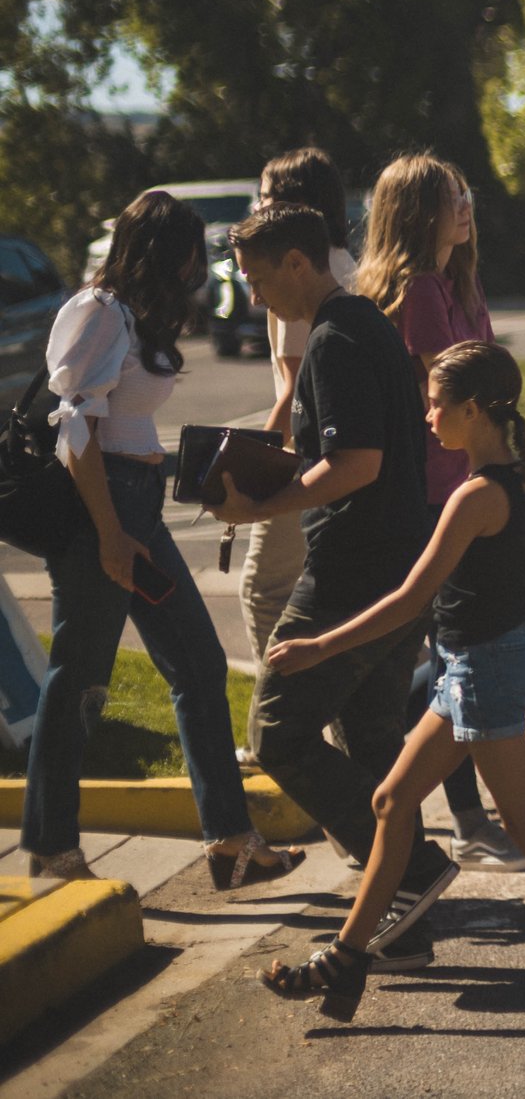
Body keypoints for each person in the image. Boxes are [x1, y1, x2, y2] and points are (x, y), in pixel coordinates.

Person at [259, 342, 525, 1031]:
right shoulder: (513, 480)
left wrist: (320, 645)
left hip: (481, 670)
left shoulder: (476, 495)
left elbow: (410, 599)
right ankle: (347, 959)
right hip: (480, 665)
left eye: (436, 403)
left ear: (474, 408)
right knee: (392, 801)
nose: (427, 415)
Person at [20, 192, 303, 890]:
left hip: (136, 506)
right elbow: (75, 429)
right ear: (165, 253)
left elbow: (124, 425)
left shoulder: (130, 318)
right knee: (82, 678)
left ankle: (230, 840)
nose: (194, 271)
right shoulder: (96, 311)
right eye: (188, 256)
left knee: (199, 667)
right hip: (103, 514)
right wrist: (111, 534)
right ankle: (53, 845)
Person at [216, 203, 457, 966]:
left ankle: (413, 871)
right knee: (370, 733)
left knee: (277, 733)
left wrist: (262, 503)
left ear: (297, 261)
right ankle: (408, 918)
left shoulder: (334, 338)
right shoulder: (361, 324)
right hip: (395, 563)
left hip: (353, 570)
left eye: (257, 278)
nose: (255, 297)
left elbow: (357, 462)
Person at [358, 154, 525, 872]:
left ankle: (457, 811)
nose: (466, 206)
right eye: (452, 197)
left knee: (447, 653)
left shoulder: (456, 280)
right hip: (436, 492)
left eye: (466, 194)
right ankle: (462, 815)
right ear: (419, 212)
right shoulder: (422, 290)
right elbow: (453, 390)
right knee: (447, 650)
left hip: (470, 484)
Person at [237, 148, 360, 665]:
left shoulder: (294, 275)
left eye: (265, 197)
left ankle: (285, 726)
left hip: (301, 461)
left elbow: (292, 394)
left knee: (264, 594)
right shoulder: (343, 263)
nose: (257, 206)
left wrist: (249, 471)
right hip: (334, 456)